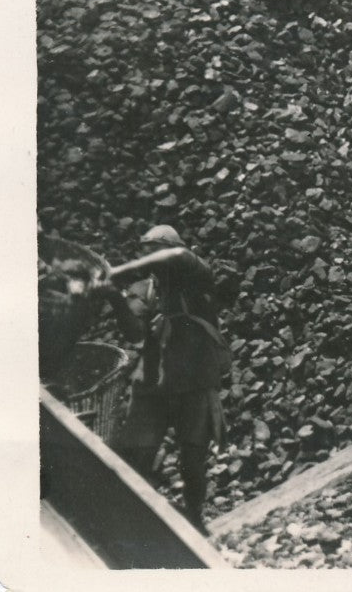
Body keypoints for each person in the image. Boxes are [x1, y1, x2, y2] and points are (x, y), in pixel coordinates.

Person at [104, 225, 231, 534]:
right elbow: (134, 332)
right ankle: (137, 522)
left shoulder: (194, 277)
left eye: (153, 252)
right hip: (154, 382)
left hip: (194, 381)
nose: (149, 259)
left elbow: (176, 255)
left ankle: (194, 518)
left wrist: (117, 271)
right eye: (146, 252)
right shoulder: (147, 289)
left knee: (192, 458)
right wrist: (116, 298)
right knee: (138, 454)